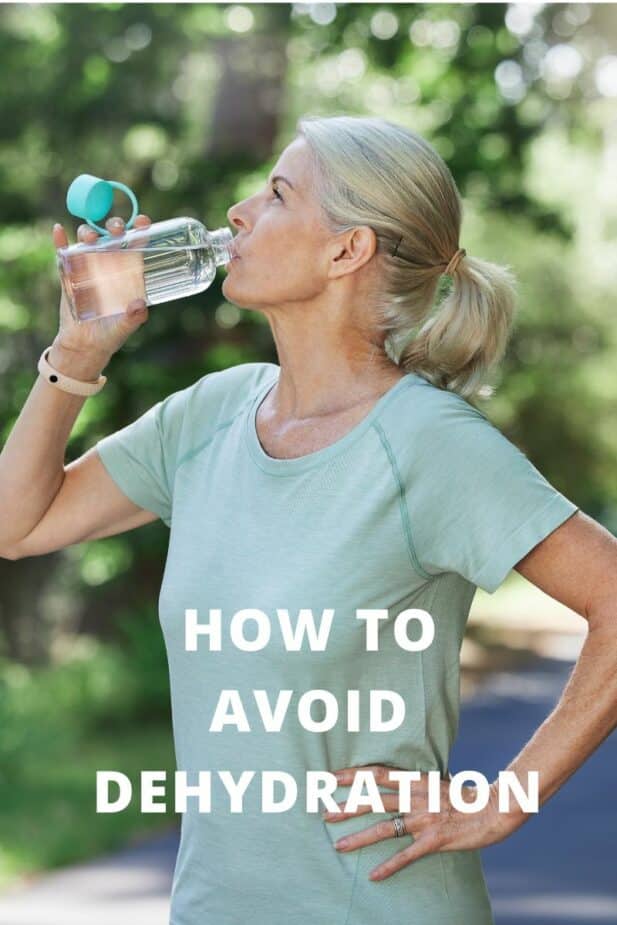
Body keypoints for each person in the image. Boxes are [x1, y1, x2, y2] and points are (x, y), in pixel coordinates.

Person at [1, 114, 616, 925]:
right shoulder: (214, 414)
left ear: (345, 250)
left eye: (279, 194)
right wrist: (77, 355)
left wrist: (505, 798)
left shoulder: (429, 445)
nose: (240, 214)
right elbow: (18, 524)